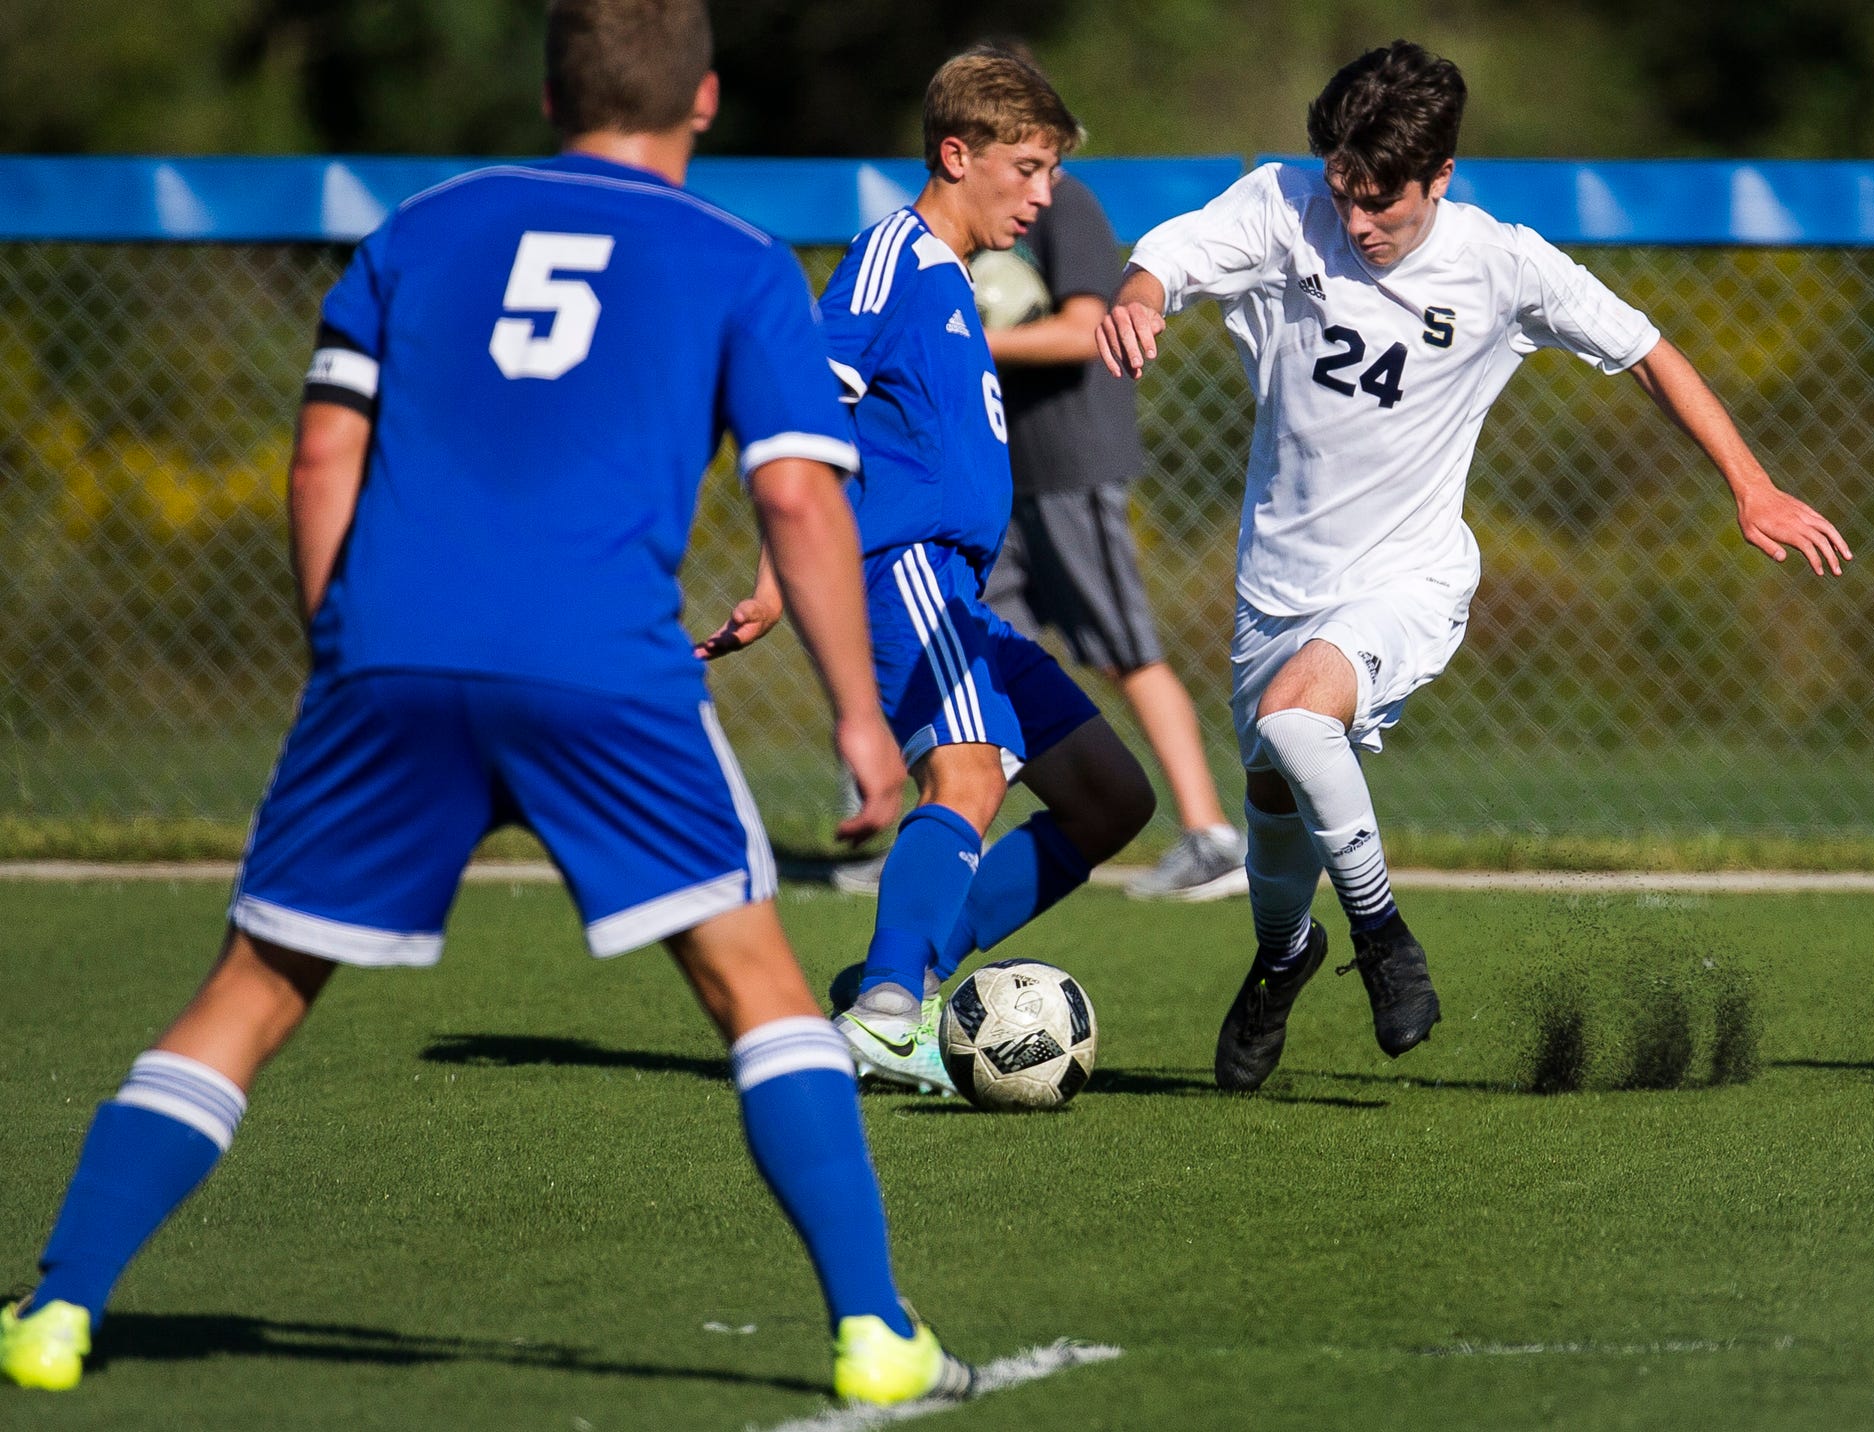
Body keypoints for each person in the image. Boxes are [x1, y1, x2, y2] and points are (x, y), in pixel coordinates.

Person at [1, 0, 973, 1407]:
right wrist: (857, 717)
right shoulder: (738, 258)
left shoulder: (422, 226)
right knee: (759, 989)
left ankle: (57, 1310)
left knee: (252, 992)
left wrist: (347, 646)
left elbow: (324, 453)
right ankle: (877, 1332)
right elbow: (796, 494)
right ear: (702, 102)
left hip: (389, 650)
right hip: (602, 667)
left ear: (543, 92)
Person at [1097, 40, 1849, 1091]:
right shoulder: (1284, 202)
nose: (1357, 222)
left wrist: (1751, 484)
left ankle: (1381, 937)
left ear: (1441, 178)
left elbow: (1646, 351)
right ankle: (1282, 953)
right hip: (1277, 583)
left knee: (1293, 720)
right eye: (1344, 192)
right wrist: (1137, 295)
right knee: (1275, 790)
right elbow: (1173, 253)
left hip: (1409, 579)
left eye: (1383, 203)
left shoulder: (1502, 263)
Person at [711, 47, 1155, 1095]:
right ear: (957, 153)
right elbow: (804, 417)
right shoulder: (891, 255)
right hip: (897, 566)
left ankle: (901, 975)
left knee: (1109, 799)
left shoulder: (959, 282)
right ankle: (889, 1008)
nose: (1045, 196)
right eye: (1031, 168)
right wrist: (780, 576)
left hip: (959, 589)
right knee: (966, 774)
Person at [984, 167, 1246, 902]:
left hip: (1071, 463)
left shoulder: (1063, 206)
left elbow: (1079, 329)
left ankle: (1209, 837)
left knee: (1124, 652)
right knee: (983, 657)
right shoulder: (975, 218)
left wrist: (966, 340)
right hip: (1005, 470)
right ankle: (949, 839)